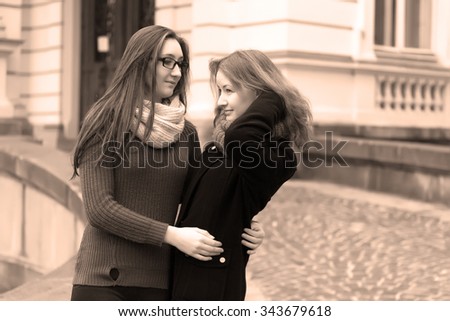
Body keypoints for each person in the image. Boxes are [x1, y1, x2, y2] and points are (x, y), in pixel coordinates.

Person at [69, 25, 265, 301]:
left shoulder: (186, 133)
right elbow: (100, 208)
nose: (176, 72)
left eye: (181, 64)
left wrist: (246, 223)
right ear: (140, 63)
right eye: (166, 62)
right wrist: (171, 235)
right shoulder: (105, 122)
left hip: (160, 284)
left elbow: (203, 196)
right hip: (103, 281)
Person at [171, 49, 313, 301]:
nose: (219, 102)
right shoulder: (217, 147)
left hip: (213, 283)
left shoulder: (280, 155)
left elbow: (243, 138)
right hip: (181, 271)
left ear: (258, 92)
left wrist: (275, 97)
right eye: (220, 91)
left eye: (229, 90)